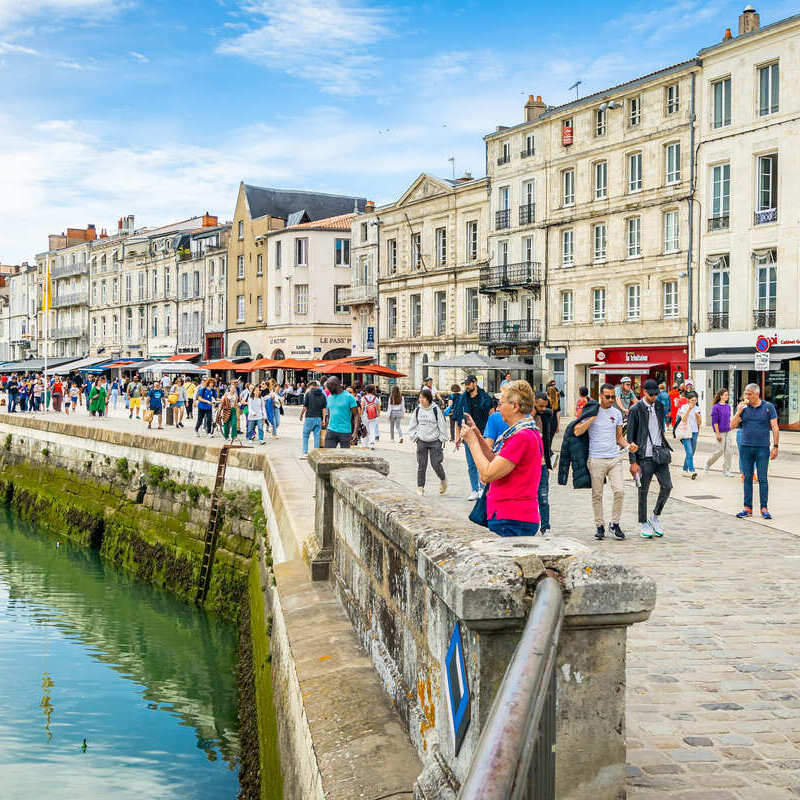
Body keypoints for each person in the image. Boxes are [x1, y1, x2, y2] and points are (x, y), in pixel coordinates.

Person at [462, 380, 543, 537]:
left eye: (501, 403)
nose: (498, 408)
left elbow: (487, 474)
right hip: (510, 517)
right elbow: (497, 462)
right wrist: (478, 436)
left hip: (513, 518)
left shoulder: (522, 437)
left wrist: (471, 442)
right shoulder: (524, 433)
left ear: (515, 406)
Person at [573, 382, 636, 540]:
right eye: (607, 397)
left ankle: (614, 523)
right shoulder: (591, 410)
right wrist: (591, 419)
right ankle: (599, 525)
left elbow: (619, 437)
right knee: (597, 494)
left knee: (620, 491)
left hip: (614, 458)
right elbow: (577, 431)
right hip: (596, 459)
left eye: (613, 397)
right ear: (600, 396)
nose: (610, 399)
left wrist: (629, 446)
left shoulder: (617, 413)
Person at [627, 379, 673, 539]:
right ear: (644, 392)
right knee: (643, 491)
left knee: (667, 487)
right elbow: (630, 437)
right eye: (651, 394)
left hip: (660, 455)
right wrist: (633, 461)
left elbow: (660, 429)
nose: (654, 397)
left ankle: (655, 516)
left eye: (656, 394)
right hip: (643, 456)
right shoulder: (635, 409)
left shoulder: (659, 406)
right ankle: (643, 523)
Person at [731, 383, 779, 519]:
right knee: (747, 477)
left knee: (763, 478)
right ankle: (747, 508)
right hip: (746, 447)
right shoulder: (743, 408)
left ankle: (764, 508)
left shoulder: (768, 407)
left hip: (762, 447)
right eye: (745, 394)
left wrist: (775, 446)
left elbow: (775, 427)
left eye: (749, 394)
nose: (746, 396)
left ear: (757, 394)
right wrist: (738, 412)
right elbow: (732, 425)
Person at [453, 374, 494, 501]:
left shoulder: (485, 398)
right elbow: (458, 418)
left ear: (475, 383)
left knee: (483, 462)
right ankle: (474, 490)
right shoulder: (462, 399)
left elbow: (491, 415)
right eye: (465, 384)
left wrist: (491, 434)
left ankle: (483, 487)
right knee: (471, 464)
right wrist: (457, 437)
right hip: (467, 435)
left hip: (483, 435)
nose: (466, 386)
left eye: (468, 383)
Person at [407, 388, 449, 495]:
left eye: (423, 398)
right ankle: (420, 487)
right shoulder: (418, 410)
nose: (421, 400)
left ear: (429, 398)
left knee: (436, 463)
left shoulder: (436, 410)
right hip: (421, 441)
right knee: (422, 465)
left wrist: (441, 439)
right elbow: (412, 425)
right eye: (420, 398)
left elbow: (442, 425)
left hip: (435, 441)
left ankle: (443, 480)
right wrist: (415, 437)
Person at [533, 392, 557, 537]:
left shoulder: (547, 416)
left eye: (545, 406)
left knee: (543, 496)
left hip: (541, 462)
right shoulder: (523, 417)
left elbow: (547, 441)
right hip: (527, 464)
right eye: (540, 406)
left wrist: (548, 464)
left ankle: (546, 526)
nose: (543, 408)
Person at [324, 377, 359, 448]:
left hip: (345, 432)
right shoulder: (329, 397)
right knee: (328, 456)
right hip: (331, 431)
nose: (328, 390)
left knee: (345, 457)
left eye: (330, 388)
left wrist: (355, 432)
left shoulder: (349, 397)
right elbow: (329, 413)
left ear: (337, 385)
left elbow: (356, 416)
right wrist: (327, 428)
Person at [705, 389, 734, 476]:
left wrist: (731, 426)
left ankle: (726, 470)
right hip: (719, 432)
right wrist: (717, 434)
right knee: (719, 451)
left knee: (729, 451)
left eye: (727, 395)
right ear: (721, 396)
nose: (727, 396)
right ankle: (708, 464)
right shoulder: (716, 407)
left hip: (728, 431)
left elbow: (729, 419)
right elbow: (715, 422)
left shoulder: (728, 406)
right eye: (725, 395)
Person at [675, 390, 701, 478]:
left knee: (691, 452)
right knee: (689, 451)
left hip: (694, 432)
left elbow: (699, 422)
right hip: (686, 432)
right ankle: (692, 471)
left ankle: (684, 470)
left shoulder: (697, 408)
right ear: (688, 400)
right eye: (692, 400)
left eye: (695, 400)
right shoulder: (684, 407)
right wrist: (689, 409)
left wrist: (698, 417)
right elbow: (684, 419)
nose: (694, 402)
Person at [299, 380, 326, 457]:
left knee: (305, 435)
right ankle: (316, 453)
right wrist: (323, 419)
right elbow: (324, 408)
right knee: (317, 436)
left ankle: (305, 453)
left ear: (312, 386)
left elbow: (305, 407)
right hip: (318, 418)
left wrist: (301, 415)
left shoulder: (308, 394)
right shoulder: (322, 395)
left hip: (309, 418)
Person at [360, 384, 381, 450]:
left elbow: (362, 407)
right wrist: (378, 414)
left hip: (365, 416)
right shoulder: (376, 398)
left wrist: (360, 416)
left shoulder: (364, 398)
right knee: (372, 429)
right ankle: (372, 443)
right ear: (373, 391)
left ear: (366, 391)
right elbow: (378, 407)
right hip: (373, 416)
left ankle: (365, 443)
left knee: (366, 429)